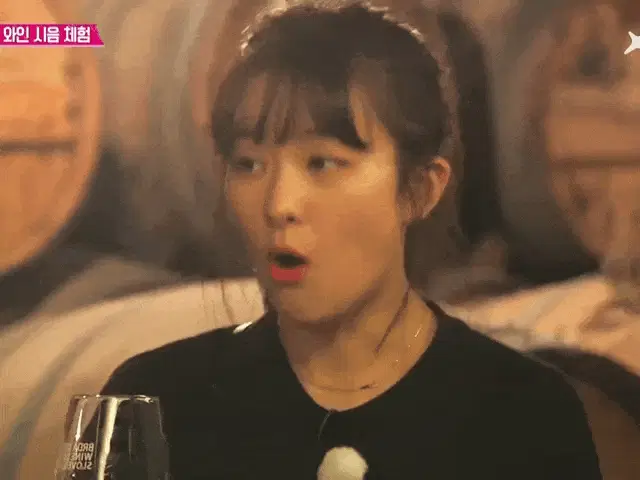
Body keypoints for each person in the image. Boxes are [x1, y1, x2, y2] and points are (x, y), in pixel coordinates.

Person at [101, 3, 603, 479]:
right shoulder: (152, 402)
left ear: (419, 190)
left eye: (322, 163)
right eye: (249, 164)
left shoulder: (523, 414)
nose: (279, 204)